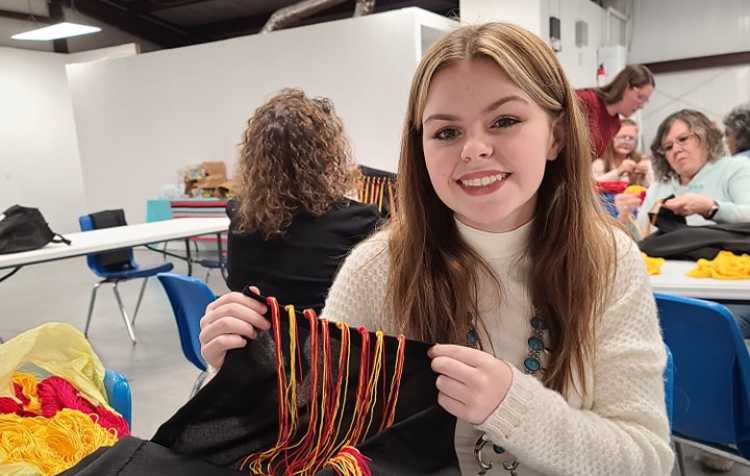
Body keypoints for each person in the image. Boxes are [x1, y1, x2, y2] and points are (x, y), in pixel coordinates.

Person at [200, 23, 673, 475]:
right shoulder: (377, 268)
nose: (473, 149)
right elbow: (318, 422)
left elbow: (647, 459)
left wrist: (513, 406)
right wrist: (248, 373)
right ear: (421, 149)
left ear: (557, 135)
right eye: (446, 132)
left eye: (505, 120)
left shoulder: (609, 263)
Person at [224, 88, 380, 314]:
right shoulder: (359, 220)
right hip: (325, 346)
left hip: (257, 344)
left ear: (255, 158)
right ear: (326, 157)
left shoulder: (240, 215)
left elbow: (236, 288)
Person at [615, 109, 750, 238]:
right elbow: (643, 239)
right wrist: (626, 217)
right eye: (668, 147)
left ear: (706, 139)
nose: (676, 149)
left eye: (683, 139)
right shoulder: (659, 187)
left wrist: (710, 208)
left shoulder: (735, 168)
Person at [576, 64, 655, 159]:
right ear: (626, 87)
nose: (641, 106)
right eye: (640, 97)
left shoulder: (615, 125)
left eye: (645, 101)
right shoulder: (586, 100)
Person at [592, 118, 653, 186]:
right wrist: (618, 171)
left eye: (631, 138)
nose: (626, 142)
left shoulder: (643, 161)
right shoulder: (599, 163)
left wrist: (643, 177)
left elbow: (653, 188)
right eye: (622, 137)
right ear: (612, 138)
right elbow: (593, 187)